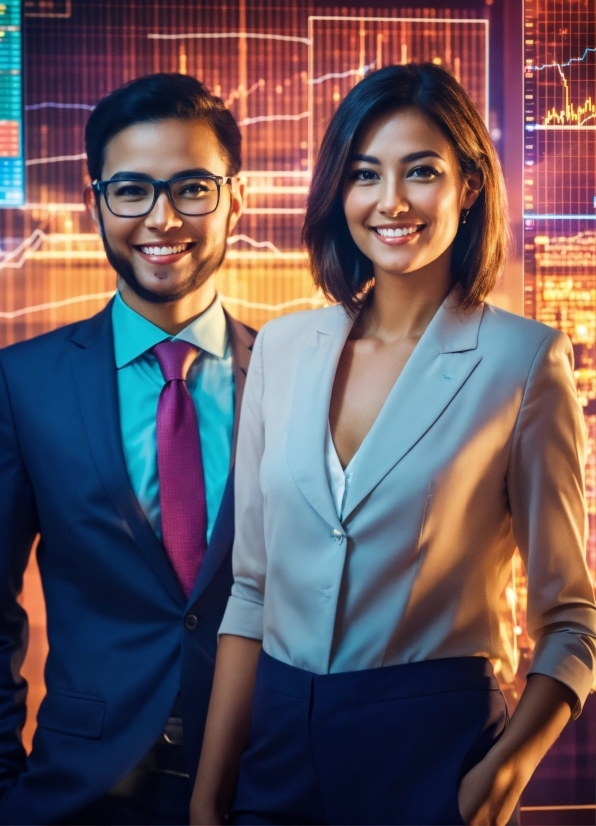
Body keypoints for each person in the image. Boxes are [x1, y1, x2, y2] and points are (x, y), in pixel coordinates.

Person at [190, 63, 596, 826]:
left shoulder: (523, 362)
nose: (391, 202)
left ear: (468, 186)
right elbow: (251, 591)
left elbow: (571, 621)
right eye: (365, 173)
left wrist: (502, 773)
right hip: (274, 745)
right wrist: (209, 798)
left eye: (422, 172)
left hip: (430, 752)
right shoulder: (280, 349)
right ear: (339, 192)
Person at [0, 73, 255, 825]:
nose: (162, 218)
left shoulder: (296, 376)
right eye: (133, 190)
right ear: (96, 205)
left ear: (234, 200)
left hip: (263, 785)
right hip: (83, 790)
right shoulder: (24, 383)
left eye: (192, 189)